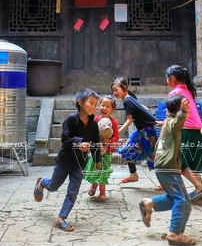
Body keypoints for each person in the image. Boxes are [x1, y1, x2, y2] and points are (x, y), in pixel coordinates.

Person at [33, 89, 101, 232]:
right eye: (91, 103)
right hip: (65, 160)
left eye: (96, 104)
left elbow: (95, 143)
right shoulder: (70, 120)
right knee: (53, 186)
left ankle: (61, 219)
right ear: (80, 103)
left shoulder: (94, 124)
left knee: (73, 191)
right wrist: (79, 143)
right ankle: (41, 183)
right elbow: (65, 139)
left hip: (80, 162)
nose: (94, 107)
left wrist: (97, 160)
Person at [137, 94, 196, 246]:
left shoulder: (167, 122)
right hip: (168, 167)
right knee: (183, 201)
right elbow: (177, 124)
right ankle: (174, 234)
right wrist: (183, 112)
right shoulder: (172, 123)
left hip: (165, 166)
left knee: (176, 199)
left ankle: (149, 203)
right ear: (179, 109)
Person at [164, 64, 202, 201]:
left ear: (172, 79)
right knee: (193, 163)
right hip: (197, 131)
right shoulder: (189, 91)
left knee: (180, 162)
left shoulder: (174, 93)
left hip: (186, 130)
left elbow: (170, 116)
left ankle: (199, 187)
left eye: (166, 78)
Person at [111, 77, 157, 184]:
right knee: (127, 149)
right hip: (143, 131)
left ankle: (166, 182)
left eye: (116, 90)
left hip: (146, 132)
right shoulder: (130, 99)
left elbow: (129, 120)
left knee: (154, 157)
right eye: (113, 91)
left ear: (124, 88)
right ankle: (133, 174)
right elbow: (145, 108)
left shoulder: (128, 101)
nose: (114, 93)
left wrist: (117, 132)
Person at [85, 95, 120, 202]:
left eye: (107, 106)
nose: (104, 108)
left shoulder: (113, 122)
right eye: (102, 105)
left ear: (112, 110)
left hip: (107, 152)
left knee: (103, 171)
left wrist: (109, 141)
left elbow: (116, 136)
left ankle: (103, 192)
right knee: (94, 169)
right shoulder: (95, 119)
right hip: (95, 151)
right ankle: (93, 185)